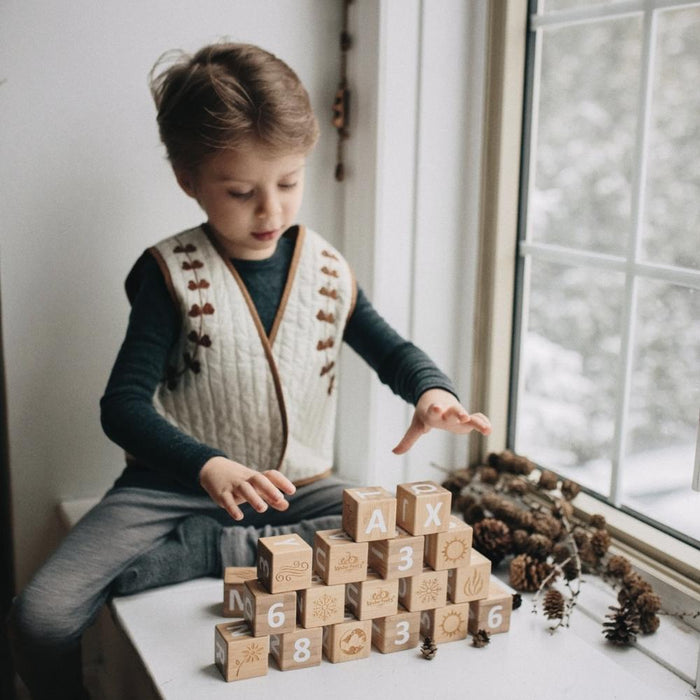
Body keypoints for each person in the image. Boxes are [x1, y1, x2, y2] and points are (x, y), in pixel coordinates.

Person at [8, 42, 491, 699]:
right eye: (241, 192)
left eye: (289, 183)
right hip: (172, 488)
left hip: (301, 486)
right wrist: (205, 466)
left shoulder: (325, 268)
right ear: (189, 179)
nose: (271, 212)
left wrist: (433, 392)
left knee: (403, 540)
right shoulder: (168, 274)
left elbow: (390, 348)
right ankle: (221, 538)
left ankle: (216, 549)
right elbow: (121, 407)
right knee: (41, 613)